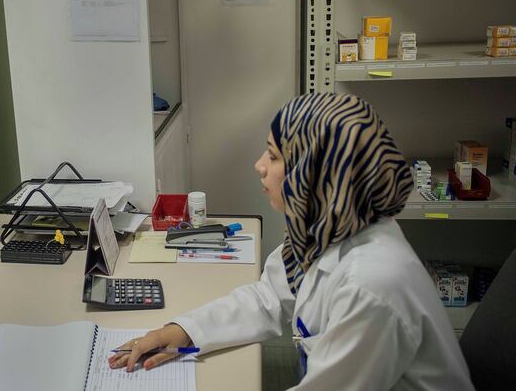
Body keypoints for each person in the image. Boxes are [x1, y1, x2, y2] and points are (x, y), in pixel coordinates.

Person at [109, 93, 474, 390]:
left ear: (316, 170)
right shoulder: (326, 226)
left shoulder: (372, 283)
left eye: (274, 155)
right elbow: (268, 298)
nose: (259, 165)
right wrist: (179, 332)